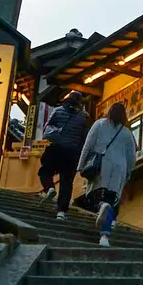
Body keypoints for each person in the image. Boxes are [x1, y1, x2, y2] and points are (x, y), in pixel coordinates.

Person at [77, 102, 136, 247]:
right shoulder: (127, 133)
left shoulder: (99, 124)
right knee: (111, 202)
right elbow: (132, 157)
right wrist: (128, 172)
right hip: (119, 169)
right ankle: (104, 237)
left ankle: (101, 206)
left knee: (93, 196)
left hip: (101, 165)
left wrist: (80, 165)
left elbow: (87, 145)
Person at [38, 91, 89, 220]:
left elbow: (47, 128)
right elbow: (85, 138)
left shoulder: (58, 111)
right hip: (72, 152)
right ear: (79, 103)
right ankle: (61, 212)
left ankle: (49, 188)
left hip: (56, 148)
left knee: (45, 171)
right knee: (67, 182)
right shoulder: (84, 117)